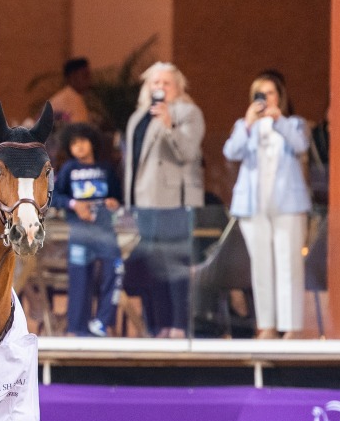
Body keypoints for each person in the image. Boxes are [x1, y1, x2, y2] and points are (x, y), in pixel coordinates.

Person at [223, 72, 311, 338]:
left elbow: (300, 145)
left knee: (289, 265)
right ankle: (267, 326)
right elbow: (231, 152)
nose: (265, 98)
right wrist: (248, 124)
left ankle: (292, 327)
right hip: (254, 207)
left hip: (287, 205)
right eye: (260, 94)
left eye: (270, 93)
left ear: (279, 97)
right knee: (261, 267)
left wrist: (278, 120)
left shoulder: (293, 123)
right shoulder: (244, 125)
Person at [122, 61, 205, 338]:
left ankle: (179, 324)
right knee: (152, 266)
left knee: (174, 263)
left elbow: (189, 152)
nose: (160, 88)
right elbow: (132, 163)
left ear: (178, 88)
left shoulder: (188, 113)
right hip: (144, 202)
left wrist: (169, 125)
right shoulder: (137, 117)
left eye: (166, 83)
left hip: (174, 201)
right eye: (155, 83)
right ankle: (159, 325)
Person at [53, 123, 123, 337]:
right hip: (79, 234)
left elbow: (118, 197)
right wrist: (74, 205)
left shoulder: (106, 169)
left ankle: (102, 322)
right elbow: (54, 197)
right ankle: (77, 329)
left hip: (105, 232)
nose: (79, 147)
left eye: (83, 141)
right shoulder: (68, 170)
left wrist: (113, 202)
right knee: (79, 282)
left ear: (92, 142)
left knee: (115, 270)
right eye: (74, 143)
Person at [49, 57, 92, 126]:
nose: (89, 80)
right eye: (85, 76)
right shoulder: (64, 100)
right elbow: (76, 131)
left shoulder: (77, 97)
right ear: (72, 77)